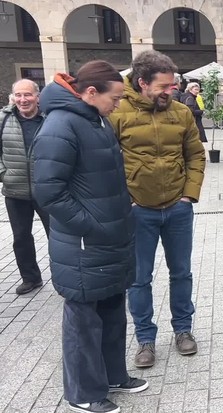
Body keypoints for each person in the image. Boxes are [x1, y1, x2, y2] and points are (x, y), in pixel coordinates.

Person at [33, 60, 149, 413]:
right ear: (91, 92)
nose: (118, 104)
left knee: (112, 310)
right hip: (86, 244)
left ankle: (113, 375)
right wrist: (91, 225)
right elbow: (49, 191)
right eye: (114, 97)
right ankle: (83, 392)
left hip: (110, 238)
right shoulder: (60, 125)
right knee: (83, 321)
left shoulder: (94, 118)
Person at [108, 50, 206, 369]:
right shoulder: (117, 113)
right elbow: (106, 164)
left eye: (173, 85)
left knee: (181, 273)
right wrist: (127, 201)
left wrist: (189, 195)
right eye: (163, 86)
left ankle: (183, 331)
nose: (171, 91)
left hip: (177, 209)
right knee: (139, 279)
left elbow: (195, 156)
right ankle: (145, 339)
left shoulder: (181, 112)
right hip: (138, 211)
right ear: (142, 83)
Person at [0, 79, 50, 295]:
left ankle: (63, 276)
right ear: (13, 97)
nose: (23, 100)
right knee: (21, 237)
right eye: (18, 95)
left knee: (57, 235)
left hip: (47, 190)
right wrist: (4, 174)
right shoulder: (3, 119)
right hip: (15, 190)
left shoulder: (49, 119)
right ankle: (30, 278)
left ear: (37, 96)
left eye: (27, 95)